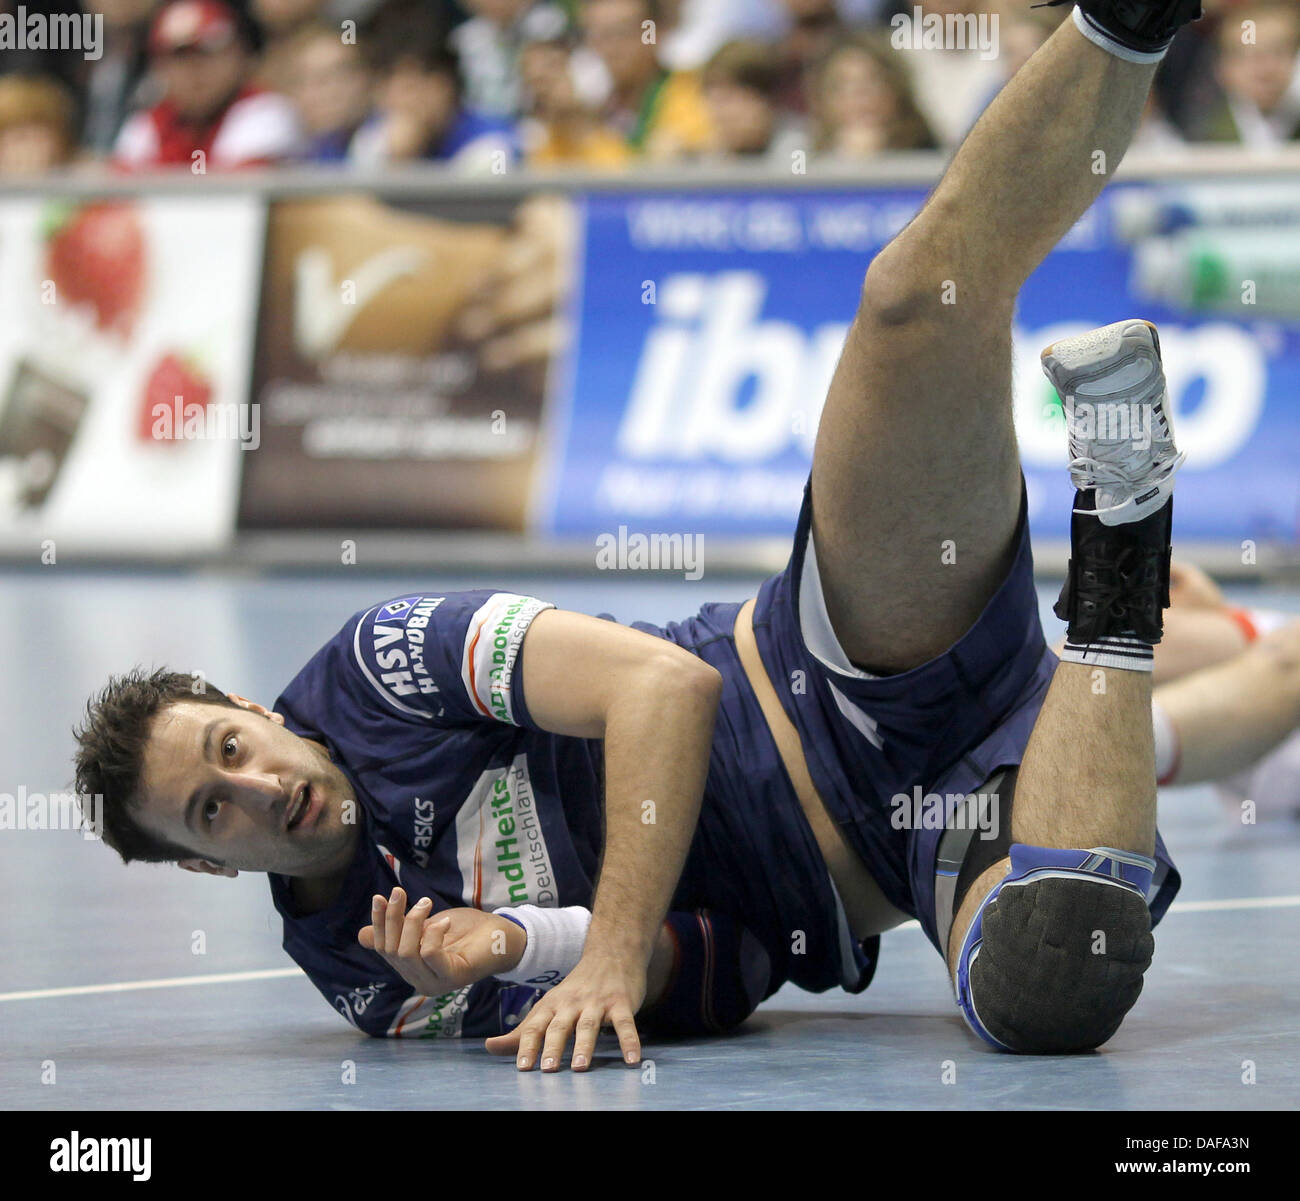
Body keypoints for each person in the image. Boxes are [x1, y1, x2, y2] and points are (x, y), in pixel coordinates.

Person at [76, 0, 1207, 1069]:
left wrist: (602, 945)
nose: (259, 790)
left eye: (230, 751)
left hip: (841, 659)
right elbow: (712, 971)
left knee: (914, 299)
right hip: (911, 855)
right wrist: (530, 951)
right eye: (212, 811)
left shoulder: (380, 667)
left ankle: (1128, 23)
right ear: (203, 861)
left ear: (251, 711)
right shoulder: (367, 977)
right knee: (1048, 981)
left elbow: (663, 689)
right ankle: (1123, 530)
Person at [113, 0, 301, 170]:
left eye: (207, 53)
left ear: (239, 54)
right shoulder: (146, 126)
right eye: (180, 58)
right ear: (158, 67)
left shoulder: (266, 112)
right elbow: (115, 202)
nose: (195, 70)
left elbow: (232, 200)